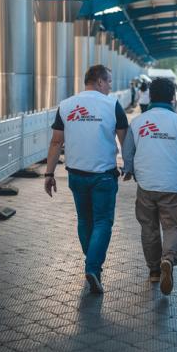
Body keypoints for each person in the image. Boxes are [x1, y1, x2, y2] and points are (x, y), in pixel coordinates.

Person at [44, 65, 128, 294]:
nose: (110, 86)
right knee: (102, 222)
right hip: (103, 176)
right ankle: (92, 266)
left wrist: (49, 174)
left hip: (76, 175)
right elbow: (125, 141)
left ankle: (92, 265)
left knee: (84, 220)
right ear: (100, 81)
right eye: (108, 82)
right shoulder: (112, 105)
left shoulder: (67, 105)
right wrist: (130, 167)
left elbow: (55, 143)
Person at [122, 78, 177, 295]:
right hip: (172, 186)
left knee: (148, 228)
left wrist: (128, 169)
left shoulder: (139, 122)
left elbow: (127, 150)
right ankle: (168, 258)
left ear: (151, 95)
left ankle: (154, 271)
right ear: (171, 97)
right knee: (173, 226)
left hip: (146, 184)